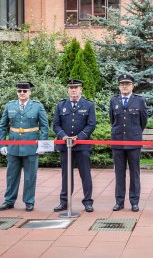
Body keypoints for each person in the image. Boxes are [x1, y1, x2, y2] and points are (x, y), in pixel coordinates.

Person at [0, 82, 49, 212]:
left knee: (30, 176)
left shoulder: (37, 106)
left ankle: (29, 201)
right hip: (14, 146)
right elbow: (3, 127)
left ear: (30, 92)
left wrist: (42, 145)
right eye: (19, 91)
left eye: (24, 91)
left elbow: (45, 127)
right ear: (16, 92)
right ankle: (9, 200)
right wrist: (2, 144)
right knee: (11, 176)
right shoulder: (10, 106)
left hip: (31, 146)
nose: (22, 93)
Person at [53, 79, 96, 213]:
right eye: (71, 88)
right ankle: (64, 201)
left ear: (81, 89)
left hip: (82, 145)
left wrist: (79, 137)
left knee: (85, 174)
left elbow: (91, 124)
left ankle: (88, 202)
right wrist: (63, 136)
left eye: (76, 88)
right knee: (66, 175)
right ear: (68, 90)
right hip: (66, 145)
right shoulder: (61, 105)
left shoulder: (88, 105)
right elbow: (56, 124)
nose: (73, 90)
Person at [109, 74, 148, 212]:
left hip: (133, 142)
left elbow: (143, 121)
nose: (124, 86)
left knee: (134, 173)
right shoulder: (114, 101)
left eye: (127, 84)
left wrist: (135, 133)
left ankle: (134, 201)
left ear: (133, 86)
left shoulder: (139, 101)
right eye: (122, 84)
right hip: (118, 141)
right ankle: (119, 201)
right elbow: (112, 119)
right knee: (119, 173)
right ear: (119, 86)